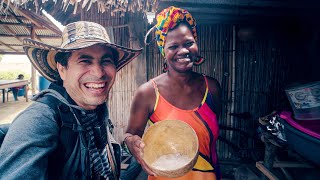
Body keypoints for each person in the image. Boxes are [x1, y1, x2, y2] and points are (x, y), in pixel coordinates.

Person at [0, 21, 142, 179]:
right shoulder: (39, 119)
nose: (98, 73)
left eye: (106, 61)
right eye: (85, 61)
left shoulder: (95, 112)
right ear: (62, 69)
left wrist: (135, 151)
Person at [123, 6, 222, 180]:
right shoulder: (148, 93)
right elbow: (130, 134)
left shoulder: (211, 88)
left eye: (189, 43)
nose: (183, 51)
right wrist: (133, 144)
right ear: (163, 52)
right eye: (173, 46)